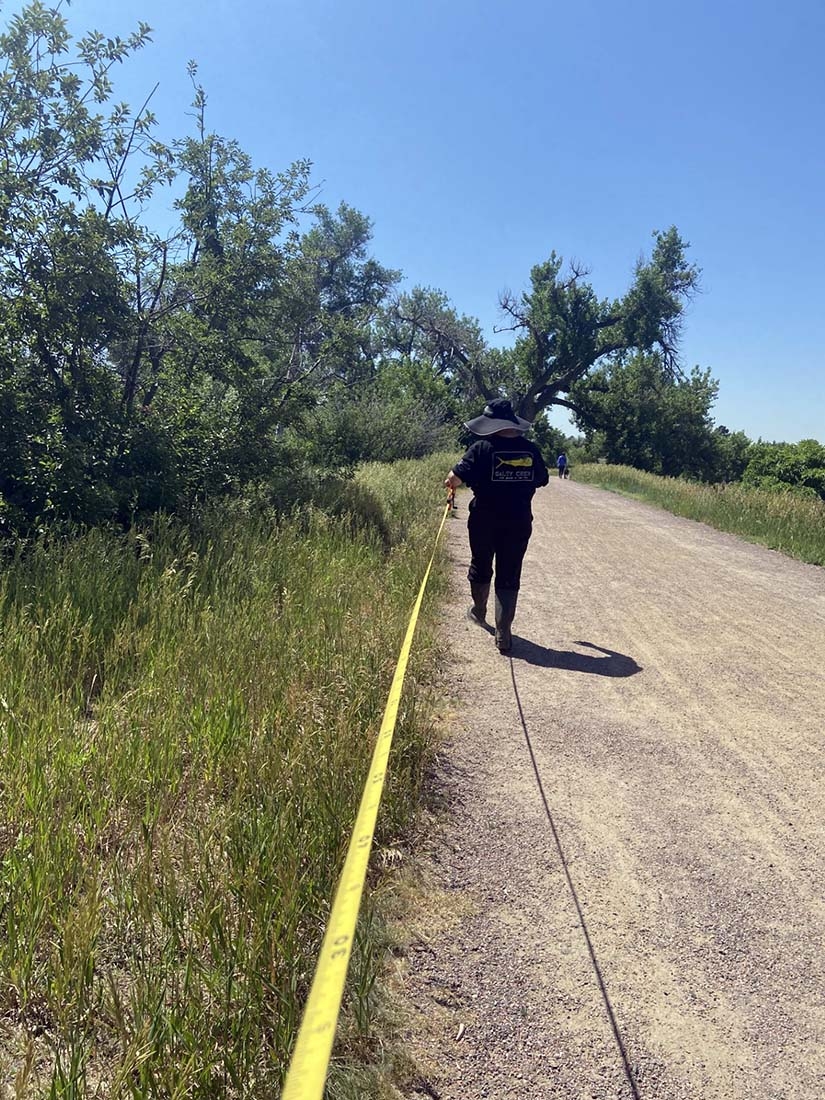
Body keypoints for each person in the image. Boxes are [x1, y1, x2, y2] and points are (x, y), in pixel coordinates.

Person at [444, 398, 549, 653]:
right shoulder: (530, 450)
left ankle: (479, 611)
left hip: (484, 520)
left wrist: (452, 484)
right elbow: (543, 479)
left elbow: (454, 479)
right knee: (510, 571)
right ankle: (503, 631)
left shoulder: (480, 448)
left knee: (481, 564)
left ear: (490, 423)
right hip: (519, 520)